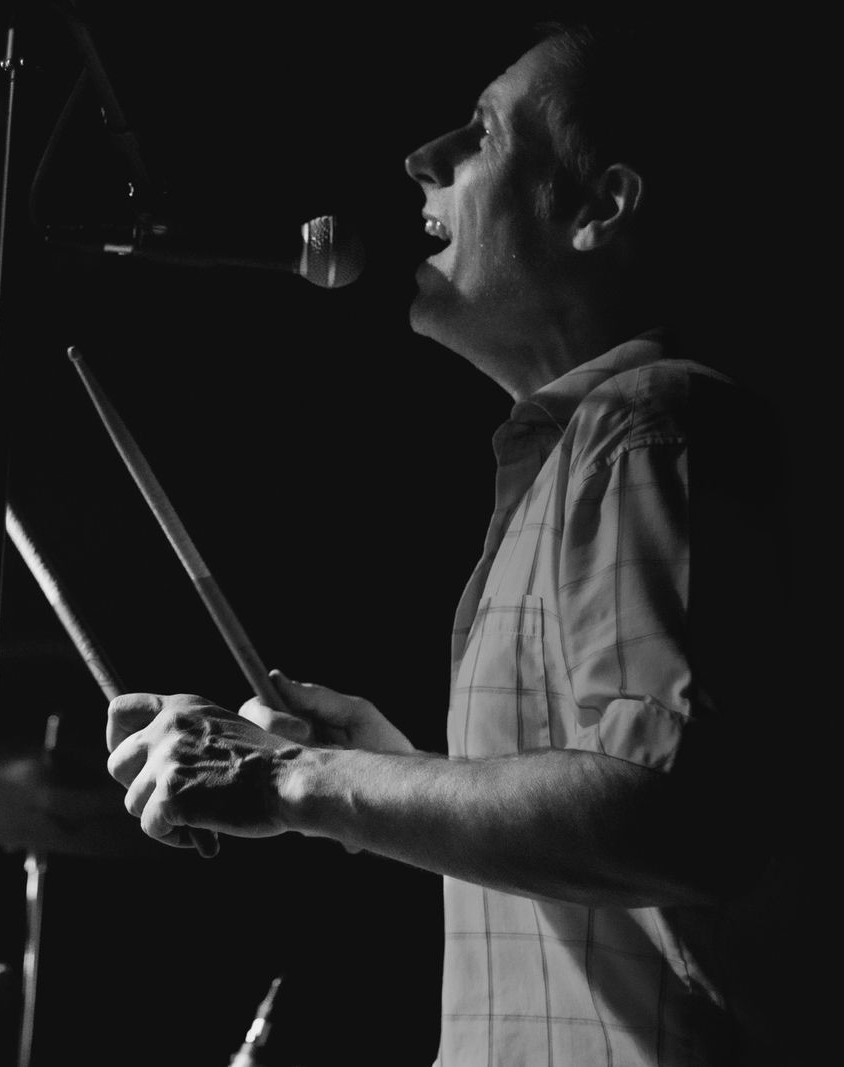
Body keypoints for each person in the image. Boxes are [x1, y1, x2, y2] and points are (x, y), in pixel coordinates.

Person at [104, 21, 811, 1066]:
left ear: (600, 208)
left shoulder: (652, 425)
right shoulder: (578, 452)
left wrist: (299, 779)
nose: (419, 159)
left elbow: (673, 815)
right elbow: (588, 862)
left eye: (480, 134)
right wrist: (370, 768)